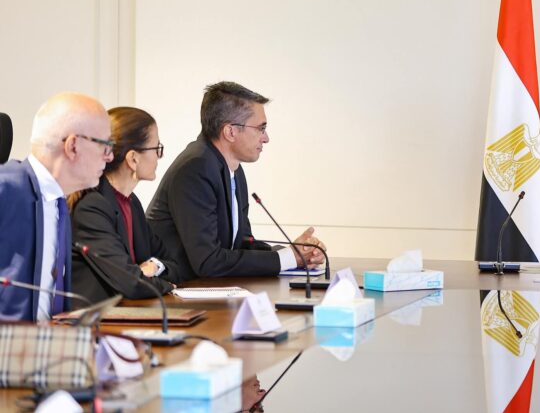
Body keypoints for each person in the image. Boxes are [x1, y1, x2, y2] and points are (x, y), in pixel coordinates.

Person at [146, 81, 325, 281]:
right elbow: (208, 261)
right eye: (261, 128)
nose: (266, 138)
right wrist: (288, 259)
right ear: (230, 131)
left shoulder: (232, 169)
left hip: (205, 285)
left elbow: (242, 245)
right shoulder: (196, 168)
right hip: (172, 289)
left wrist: (295, 253)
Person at [0, 93, 112, 321]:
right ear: (73, 146)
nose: (109, 157)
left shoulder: (58, 201)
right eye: (106, 145)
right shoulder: (6, 188)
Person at [69, 107, 180, 307]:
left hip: (127, 311)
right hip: (97, 319)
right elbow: (132, 283)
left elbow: (173, 262)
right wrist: (162, 283)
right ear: (133, 158)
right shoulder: (91, 207)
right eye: (157, 148)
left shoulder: (131, 202)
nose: (159, 156)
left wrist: (154, 266)